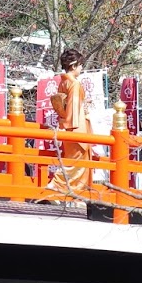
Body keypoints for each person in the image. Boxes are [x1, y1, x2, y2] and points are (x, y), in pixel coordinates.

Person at [49, 49, 91, 195]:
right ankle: (58, 186)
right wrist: (71, 127)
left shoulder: (63, 82)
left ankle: (67, 192)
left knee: (72, 162)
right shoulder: (74, 83)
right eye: (80, 65)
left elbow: (63, 105)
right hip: (76, 127)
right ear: (73, 66)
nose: (81, 68)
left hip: (67, 125)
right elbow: (72, 107)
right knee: (77, 164)